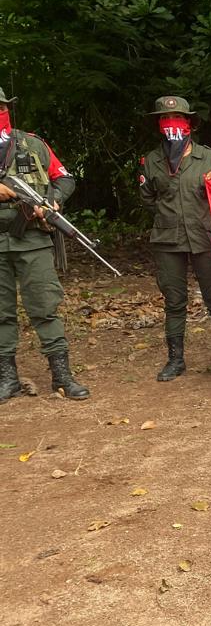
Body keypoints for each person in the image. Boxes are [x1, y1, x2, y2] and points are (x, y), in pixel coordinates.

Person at [138, 96, 211, 381]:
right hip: (167, 240)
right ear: (159, 125)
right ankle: (175, 360)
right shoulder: (151, 160)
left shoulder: (207, 157)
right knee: (174, 300)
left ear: (189, 123)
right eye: (165, 119)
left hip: (204, 237)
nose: (172, 124)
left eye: (178, 119)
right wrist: (168, 216)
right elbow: (147, 199)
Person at [0, 88, 90, 401]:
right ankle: (7, 378)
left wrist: (51, 201)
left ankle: (61, 375)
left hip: (32, 240)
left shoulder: (32, 144)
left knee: (44, 306)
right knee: (1, 312)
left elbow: (64, 178)